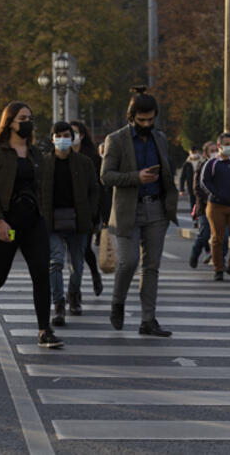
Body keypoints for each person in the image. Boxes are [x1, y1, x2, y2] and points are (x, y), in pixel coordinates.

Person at [0, 101, 63, 348]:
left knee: (41, 274)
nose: (27, 122)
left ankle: (44, 331)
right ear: (9, 122)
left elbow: (42, 188)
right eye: (22, 118)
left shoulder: (36, 153)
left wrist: (45, 219)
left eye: (30, 117)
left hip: (33, 222)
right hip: (5, 222)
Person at [101, 87, 177, 337]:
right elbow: (106, 176)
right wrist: (136, 177)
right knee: (128, 262)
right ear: (131, 116)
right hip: (127, 210)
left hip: (156, 208)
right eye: (141, 120)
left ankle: (148, 320)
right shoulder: (117, 139)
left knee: (152, 266)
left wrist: (170, 203)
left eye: (150, 119)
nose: (146, 124)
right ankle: (117, 302)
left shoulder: (160, 138)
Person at [42, 121, 99, 325]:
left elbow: (94, 189)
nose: (63, 139)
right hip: (52, 222)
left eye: (67, 135)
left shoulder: (84, 163)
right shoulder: (45, 163)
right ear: (53, 138)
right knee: (55, 262)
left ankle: (73, 294)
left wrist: (91, 214)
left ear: (72, 138)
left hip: (78, 222)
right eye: (59, 135)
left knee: (77, 265)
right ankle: (58, 304)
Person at [70, 120, 109, 296]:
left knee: (82, 249)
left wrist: (101, 215)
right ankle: (74, 291)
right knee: (67, 253)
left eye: (74, 133)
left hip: (87, 212)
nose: (70, 137)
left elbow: (100, 189)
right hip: (64, 212)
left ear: (82, 135)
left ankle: (92, 276)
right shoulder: (60, 156)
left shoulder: (92, 158)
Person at [201, 132, 230, 282]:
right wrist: (217, 194)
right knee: (218, 239)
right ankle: (218, 269)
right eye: (227, 144)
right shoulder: (212, 163)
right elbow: (205, 181)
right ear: (219, 146)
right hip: (216, 206)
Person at [179, 146, 202, 214]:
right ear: (189, 152)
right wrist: (181, 189)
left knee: (200, 204)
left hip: (201, 187)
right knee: (193, 203)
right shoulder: (187, 164)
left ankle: (200, 217)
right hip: (191, 187)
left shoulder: (202, 162)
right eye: (192, 152)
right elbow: (182, 177)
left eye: (195, 152)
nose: (194, 154)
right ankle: (194, 218)